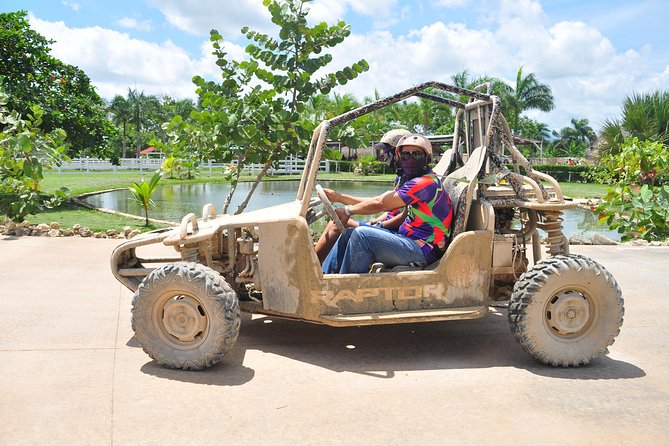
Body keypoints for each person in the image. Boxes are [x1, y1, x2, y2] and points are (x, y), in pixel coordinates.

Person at [322, 134, 453, 274]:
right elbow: (380, 201)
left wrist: (348, 211)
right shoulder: (411, 180)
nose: (410, 159)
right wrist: (338, 198)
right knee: (348, 233)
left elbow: (381, 204)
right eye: (406, 155)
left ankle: (344, 288)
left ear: (427, 158)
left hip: (423, 249)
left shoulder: (424, 183)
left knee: (362, 235)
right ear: (399, 156)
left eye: (417, 154)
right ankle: (324, 278)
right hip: (407, 239)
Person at [314, 129, 411, 263]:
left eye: (386, 151)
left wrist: (377, 225)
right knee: (339, 221)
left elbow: (395, 214)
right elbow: (386, 207)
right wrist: (337, 197)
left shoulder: (412, 182)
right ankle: (320, 268)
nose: (383, 156)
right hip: (388, 228)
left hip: (396, 235)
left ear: (398, 153)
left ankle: (310, 266)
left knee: (339, 223)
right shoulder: (401, 178)